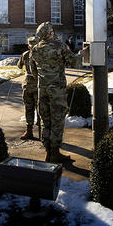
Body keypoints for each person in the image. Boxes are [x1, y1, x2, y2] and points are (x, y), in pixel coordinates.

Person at [30, 22, 80, 163]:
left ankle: (47, 151)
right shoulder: (60, 46)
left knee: (45, 121)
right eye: (52, 31)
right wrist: (81, 54)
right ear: (50, 33)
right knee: (57, 120)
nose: (53, 33)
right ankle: (55, 152)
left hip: (42, 90)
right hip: (57, 91)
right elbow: (75, 62)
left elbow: (33, 71)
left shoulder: (35, 49)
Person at [16, 36, 39, 140]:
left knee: (29, 108)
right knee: (40, 109)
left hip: (29, 85)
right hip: (38, 85)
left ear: (28, 46)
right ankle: (41, 133)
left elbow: (19, 66)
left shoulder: (25, 54)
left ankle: (29, 131)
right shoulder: (42, 55)